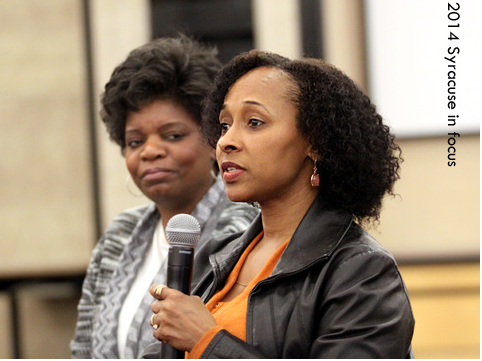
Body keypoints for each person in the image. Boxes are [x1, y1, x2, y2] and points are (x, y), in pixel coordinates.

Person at [146, 50, 415, 358]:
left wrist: (207, 341)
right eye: (224, 125)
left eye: (255, 122)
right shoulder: (213, 257)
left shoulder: (361, 273)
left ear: (315, 142)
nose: (225, 141)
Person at [70, 36, 259, 359]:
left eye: (173, 135)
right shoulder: (120, 234)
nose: (151, 151)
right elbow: (83, 348)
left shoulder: (247, 228)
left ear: (214, 138)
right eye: (134, 141)